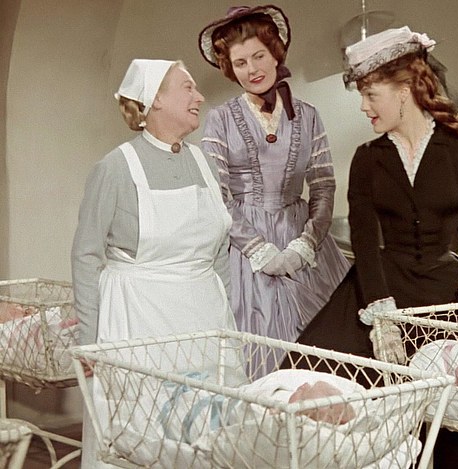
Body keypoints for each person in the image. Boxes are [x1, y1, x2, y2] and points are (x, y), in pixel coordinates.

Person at [289, 25, 458, 469]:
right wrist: (380, 311)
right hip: (380, 288)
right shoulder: (368, 158)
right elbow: (365, 241)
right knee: (320, 383)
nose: (364, 107)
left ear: (404, 90)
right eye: (363, 96)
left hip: (445, 291)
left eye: (371, 95)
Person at [71, 59, 236, 468]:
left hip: (204, 321)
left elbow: (220, 251)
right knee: (141, 435)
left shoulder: (205, 163)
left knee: (212, 433)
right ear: (155, 99)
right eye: (188, 88)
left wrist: (227, 323)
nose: (200, 97)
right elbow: (86, 254)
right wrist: (90, 340)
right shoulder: (116, 167)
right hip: (139, 324)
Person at [198, 5, 350, 375]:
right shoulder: (219, 119)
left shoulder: (308, 115)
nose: (252, 69)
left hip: (302, 235)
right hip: (244, 246)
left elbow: (323, 184)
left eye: (259, 56)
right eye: (240, 63)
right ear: (229, 68)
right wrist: (259, 250)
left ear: (275, 53)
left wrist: (307, 243)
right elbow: (217, 195)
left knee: (327, 346)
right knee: (260, 352)